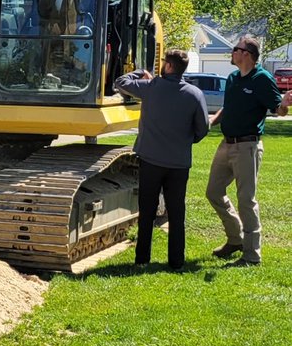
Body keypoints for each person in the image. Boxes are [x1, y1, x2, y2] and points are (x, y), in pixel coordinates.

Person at [115, 49, 209, 270]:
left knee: (147, 210)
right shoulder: (195, 94)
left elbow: (121, 82)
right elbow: (202, 129)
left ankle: (142, 260)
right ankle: (176, 262)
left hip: (151, 160)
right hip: (178, 163)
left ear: (168, 66)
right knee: (177, 213)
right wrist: (187, 141)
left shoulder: (151, 87)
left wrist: (143, 72)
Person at [205, 35, 292, 267]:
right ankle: (236, 239)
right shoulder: (233, 77)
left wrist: (283, 104)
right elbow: (228, 106)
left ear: (247, 54)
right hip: (226, 143)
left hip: (248, 146)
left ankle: (252, 255)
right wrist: (211, 121)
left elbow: (278, 110)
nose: (232, 53)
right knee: (213, 192)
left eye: (236, 49)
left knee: (246, 199)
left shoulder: (262, 79)